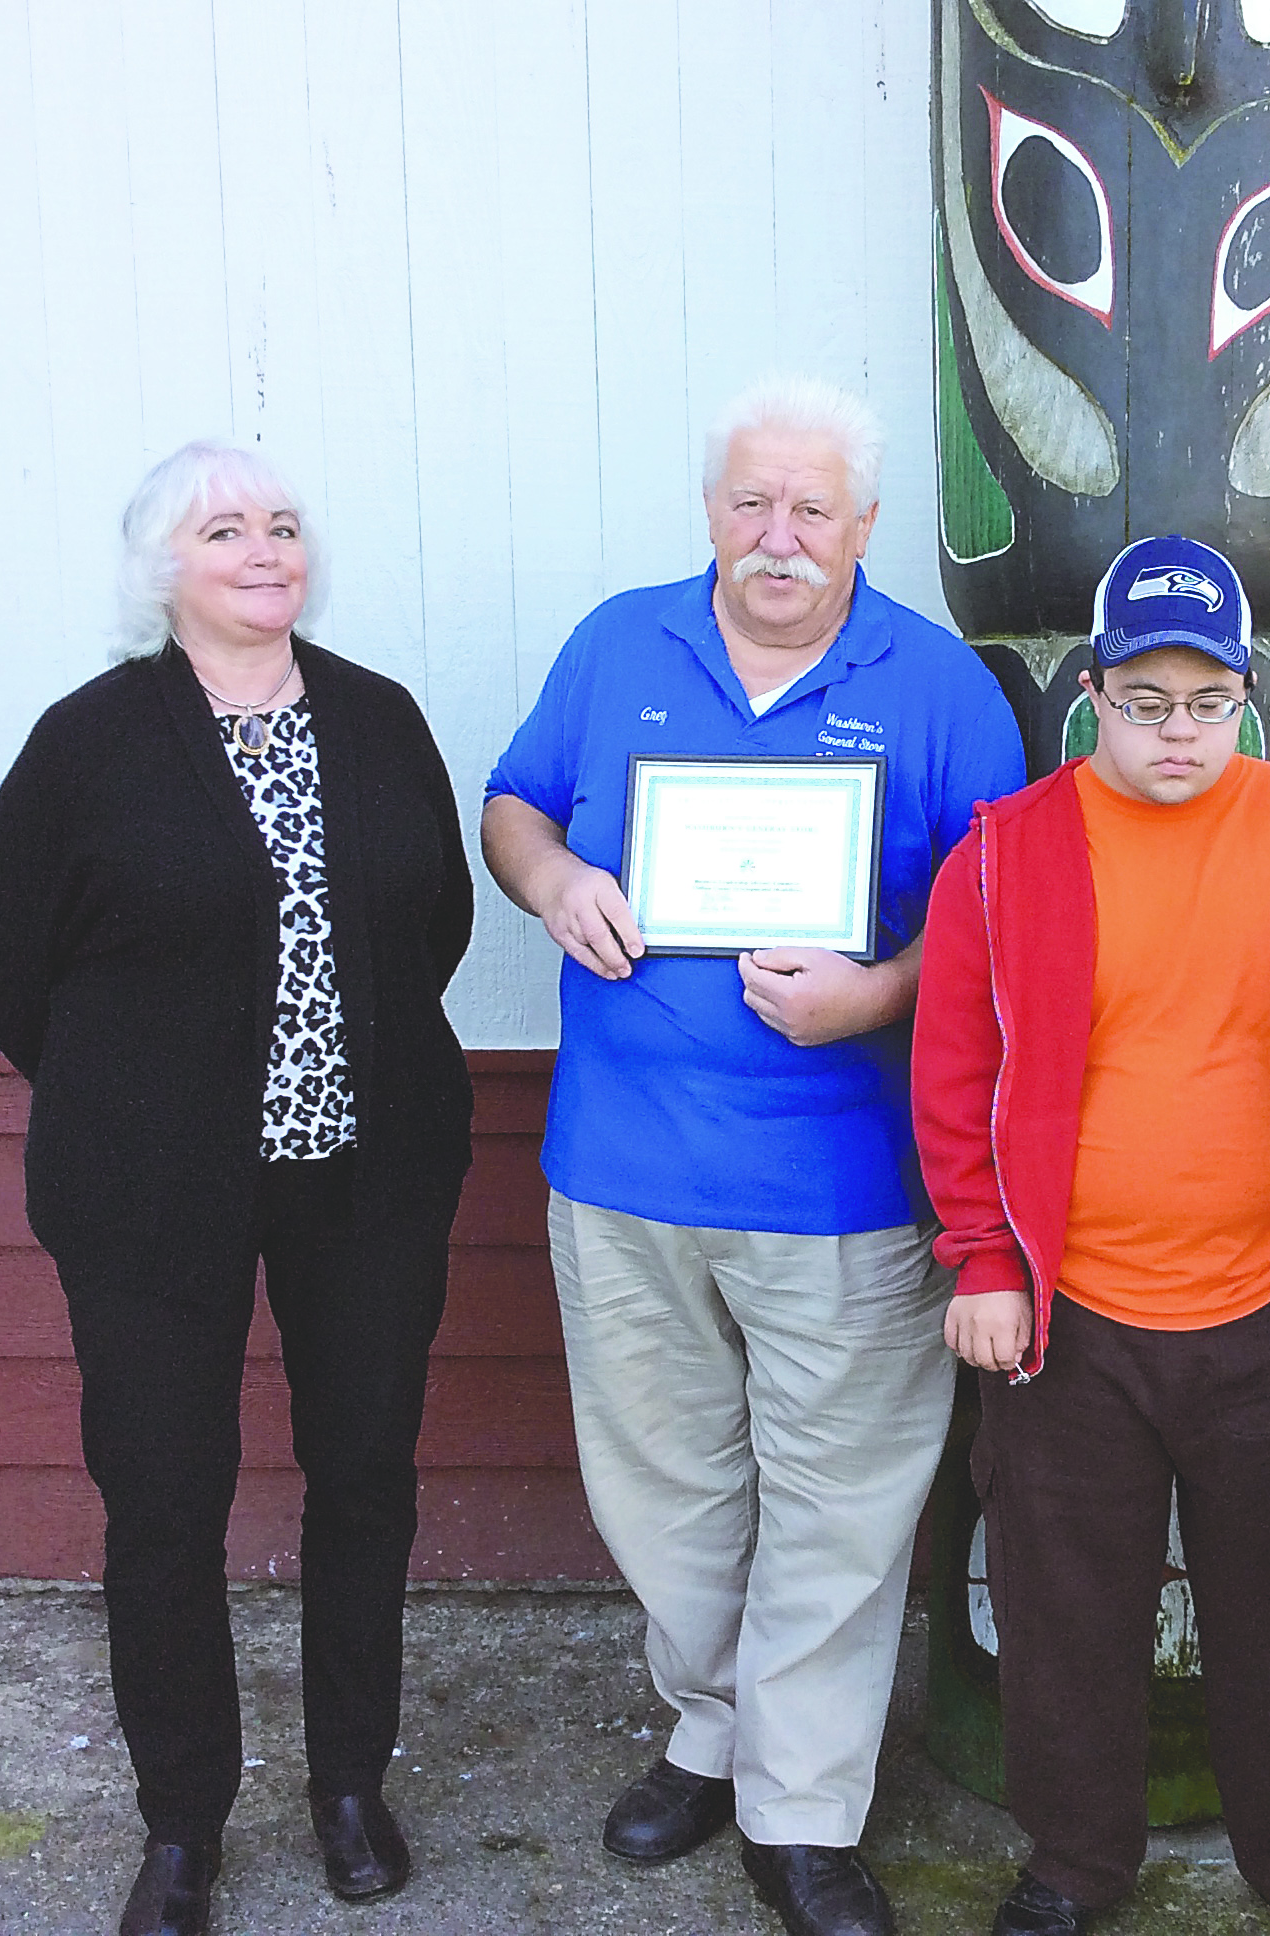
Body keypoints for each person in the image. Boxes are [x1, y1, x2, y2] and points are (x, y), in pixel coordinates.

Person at [479, 377, 1025, 1936]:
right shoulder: (617, 644)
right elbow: (514, 803)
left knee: (842, 1505)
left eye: (811, 510)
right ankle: (716, 1735)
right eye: (750, 505)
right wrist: (553, 877)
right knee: (665, 1487)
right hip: (622, 1167)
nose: (777, 538)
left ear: (863, 526)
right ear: (711, 513)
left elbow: (999, 915)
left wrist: (878, 992)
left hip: (842, 1187)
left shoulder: (934, 687)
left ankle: (802, 1815)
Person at [0, 441, 475, 1936]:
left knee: (364, 1474)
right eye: (226, 528)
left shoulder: (377, 722)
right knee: (165, 1504)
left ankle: (349, 1785)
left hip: (364, 1173)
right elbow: (4, 957)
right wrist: (140, 1087)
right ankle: (182, 1825)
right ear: (162, 567)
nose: (264, 548)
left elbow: (426, 924)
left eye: (285, 525)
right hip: (147, 1186)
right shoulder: (90, 741)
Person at [911, 536, 1270, 1936]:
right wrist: (987, 1258)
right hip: (1072, 1317)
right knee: (1067, 1617)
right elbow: (954, 1072)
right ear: (1094, 691)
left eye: (1206, 702)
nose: (1176, 732)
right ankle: (1074, 1860)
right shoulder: (1010, 857)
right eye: (1146, 700)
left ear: (1247, 697)